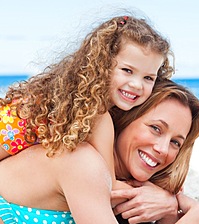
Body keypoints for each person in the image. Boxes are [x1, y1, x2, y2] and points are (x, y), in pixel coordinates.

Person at [0, 79, 199, 224]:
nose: (162, 149)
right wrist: (197, 217)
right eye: (155, 129)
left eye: (175, 142)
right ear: (126, 119)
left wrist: (169, 205)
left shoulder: (124, 185)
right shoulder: (82, 161)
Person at [0, 14, 173, 194]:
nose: (137, 84)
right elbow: (108, 186)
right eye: (127, 70)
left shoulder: (71, 98)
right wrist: (160, 192)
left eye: (148, 78)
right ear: (102, 63)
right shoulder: (96, 114)